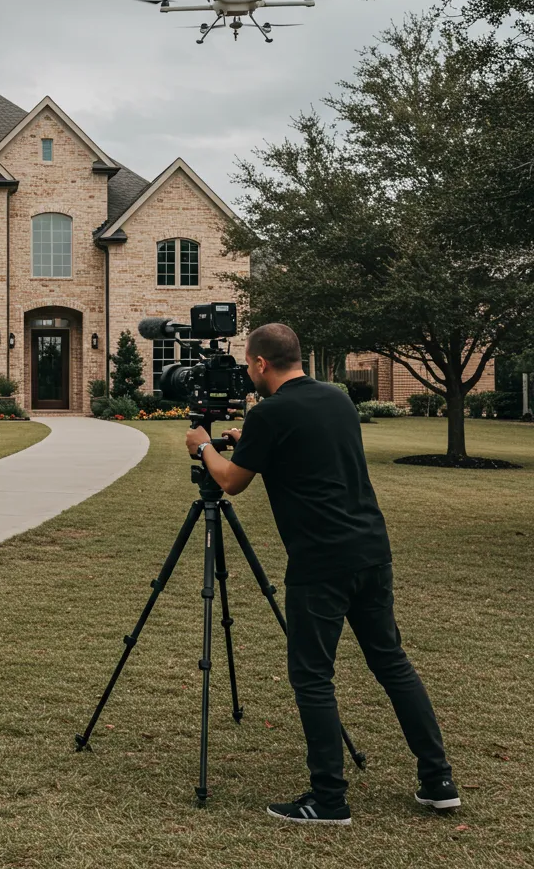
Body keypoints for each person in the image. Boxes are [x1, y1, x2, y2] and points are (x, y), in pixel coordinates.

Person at [186, 323, 458, 826]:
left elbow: (231, 481)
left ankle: (328, 798)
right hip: (371, 551)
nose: (248, 374)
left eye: (249, 366)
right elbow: (308, 448)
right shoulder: (336, 399)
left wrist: (204, 445)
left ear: (262, 363)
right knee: (392, 664)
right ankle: (438, 779)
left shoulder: (271, 412)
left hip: (319, 562)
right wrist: (250, 440)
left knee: (313, 677)